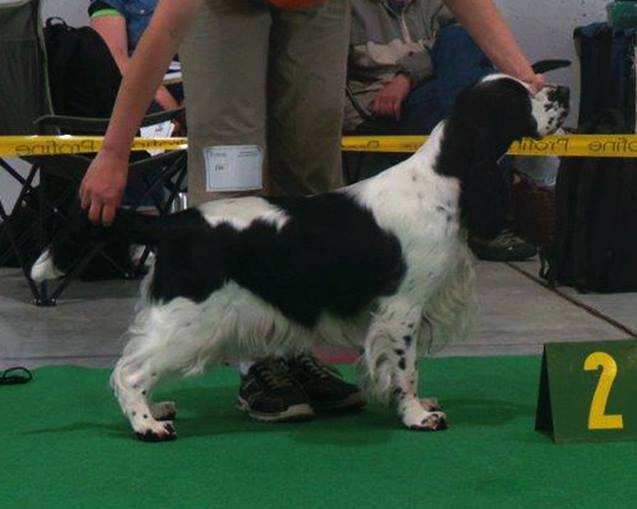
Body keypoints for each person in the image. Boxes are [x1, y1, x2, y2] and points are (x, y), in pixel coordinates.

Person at [78, 0, 363, 423]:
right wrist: (114, 151)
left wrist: (503, 64)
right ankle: (257, 360)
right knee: (233, 172)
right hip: (218, 8)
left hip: (318, 10)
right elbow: (163, 34)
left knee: (312, 178)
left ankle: (296, 345)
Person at [345, 0, 543, 261]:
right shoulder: (348, 9)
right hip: (378, 107)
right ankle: (487, 220)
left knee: (461, 39)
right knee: (476, 105)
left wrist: (407, 76)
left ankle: (481, 215)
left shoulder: (438, 6)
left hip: (437, 95)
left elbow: (465, 51)